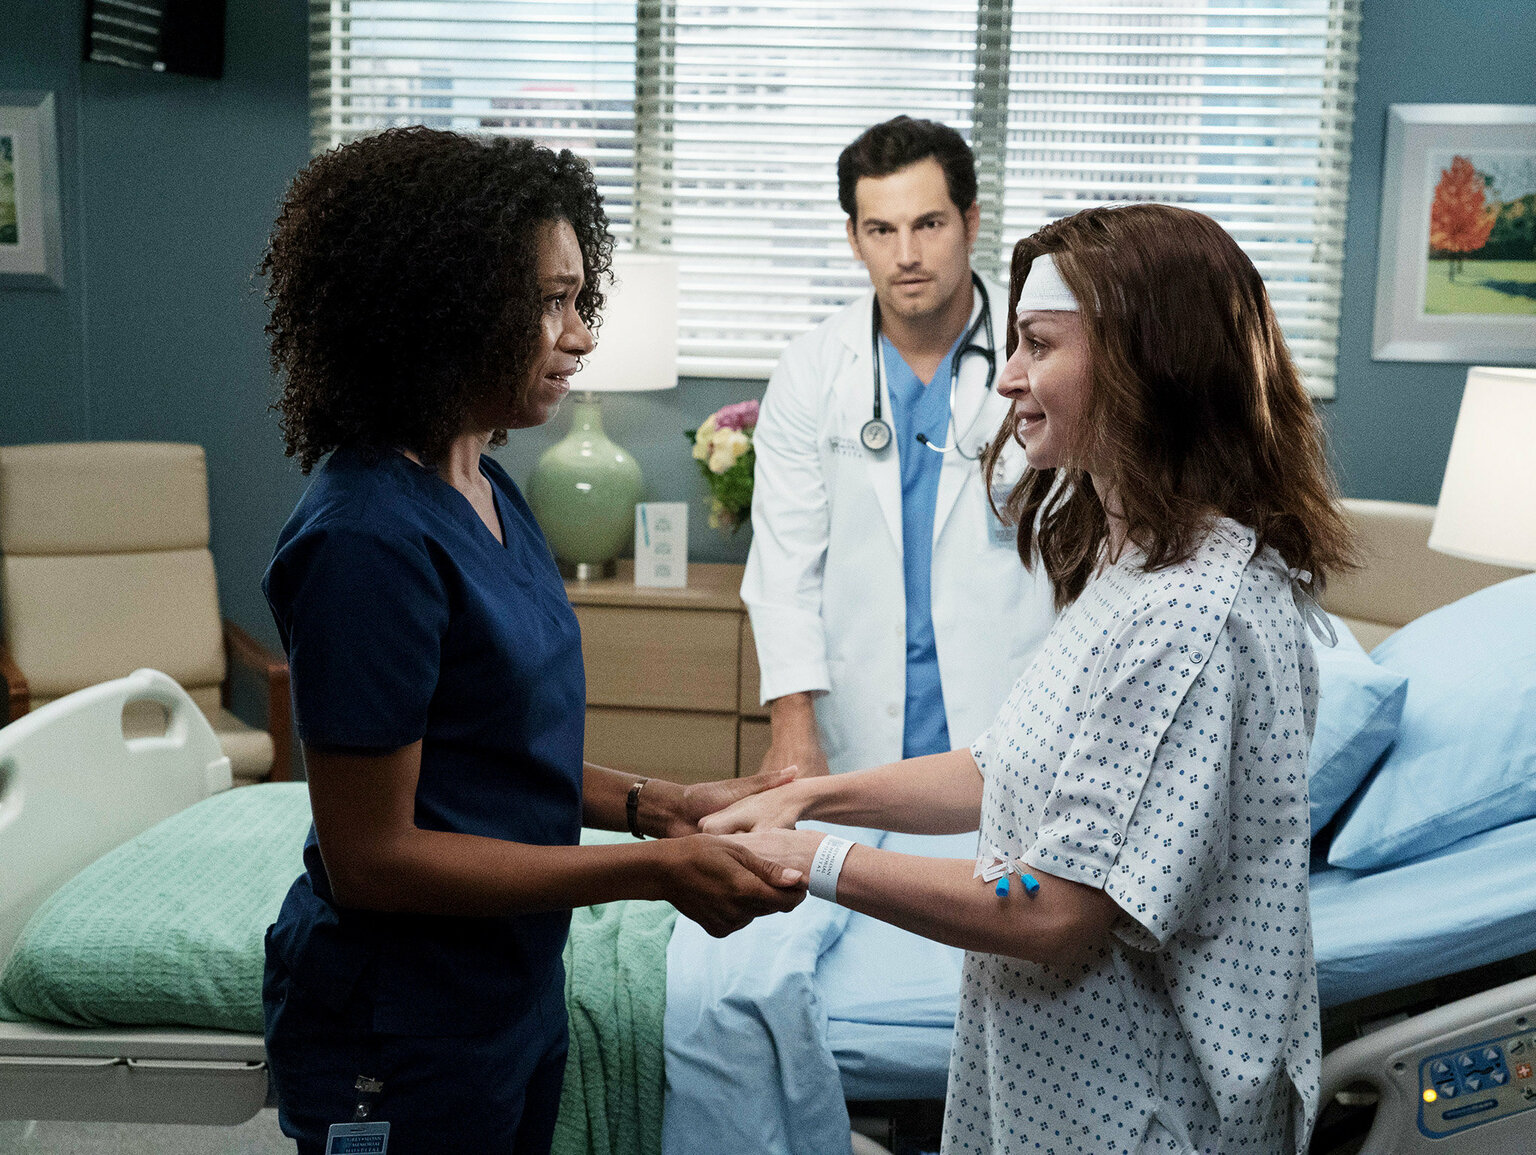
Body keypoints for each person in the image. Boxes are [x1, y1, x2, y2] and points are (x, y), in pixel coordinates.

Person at [706, 203, 1357, 1154]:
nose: (1007, 375)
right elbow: (1005, 766)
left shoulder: (1189, 617)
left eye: (1039, 345)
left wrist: (813, 861)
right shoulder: (1136, 568)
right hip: (1060, 1095)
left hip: (1141, 1117)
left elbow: (1054, 909)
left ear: (1144, 363)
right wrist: (810, 797)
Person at [256, 126, 804, 1155]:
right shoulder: (366, 539)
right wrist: (650, 872)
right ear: (446, 304)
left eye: (579, 299)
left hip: (509, 983)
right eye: (551, 301)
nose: (582, 335)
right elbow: (373, 858)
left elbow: (490, 749)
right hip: (404, 1020)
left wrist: (654, 805)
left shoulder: (485, 484)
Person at [742, 116, 1056, 780]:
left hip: (1016, 724)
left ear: (971, 223)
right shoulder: (812, 369)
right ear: (854, 238)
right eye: (881, 230)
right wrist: (793, 731)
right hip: (857, 735)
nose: (906, 254)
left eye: (929, 224)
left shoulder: (1046, 357)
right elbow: (785, 568)